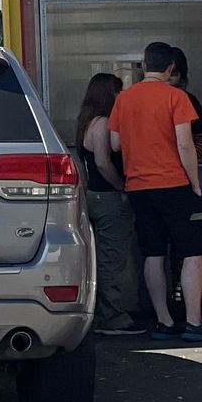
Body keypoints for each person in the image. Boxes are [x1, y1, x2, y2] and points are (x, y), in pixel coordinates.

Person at [108, 42, 202, 342]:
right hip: (174, 184)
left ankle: (163, 321)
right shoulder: (176, 97)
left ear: (144, 65)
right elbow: (186, 144)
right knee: (193, 253)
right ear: (171, 69)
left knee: (152, 254)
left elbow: (115, 145)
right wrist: (195, 183)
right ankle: (194, 321)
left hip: (138, 186)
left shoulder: (123, 99)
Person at [75, 73, 142, 336]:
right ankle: (113, 316)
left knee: (100, 257)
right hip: (108, 198)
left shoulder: (86, 122)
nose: (121, 97)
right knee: (111, 258)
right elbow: (103, 162)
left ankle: (106, 313)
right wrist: (121, 186)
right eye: (118, 92)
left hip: (93, 196)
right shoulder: (103, 124)